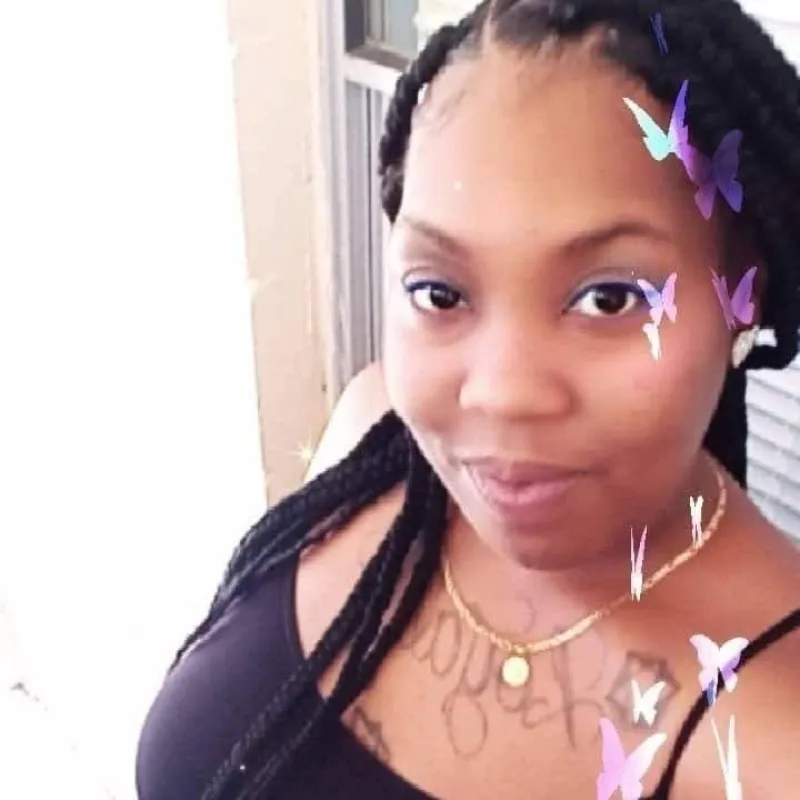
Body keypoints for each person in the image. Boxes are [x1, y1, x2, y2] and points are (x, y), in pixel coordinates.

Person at [135, 0, 800, 797]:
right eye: (440, 291)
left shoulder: (772, 739)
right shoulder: (374, 432)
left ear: (744, 291)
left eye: (610, 298)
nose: (501, 395)